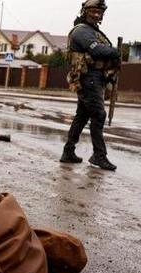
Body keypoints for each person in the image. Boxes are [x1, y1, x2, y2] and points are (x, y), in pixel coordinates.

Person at [61, 0, 120, 171]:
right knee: (99, 115)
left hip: (94, 78)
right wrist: (115, 52)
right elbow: (97, 50)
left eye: (99, 12)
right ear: (84, 11)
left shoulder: (93, 31)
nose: (96, 15)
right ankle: (99, 156)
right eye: (93, 11)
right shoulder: (81, 31)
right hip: (88, 78)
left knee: (82, 116)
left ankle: (68, 152)